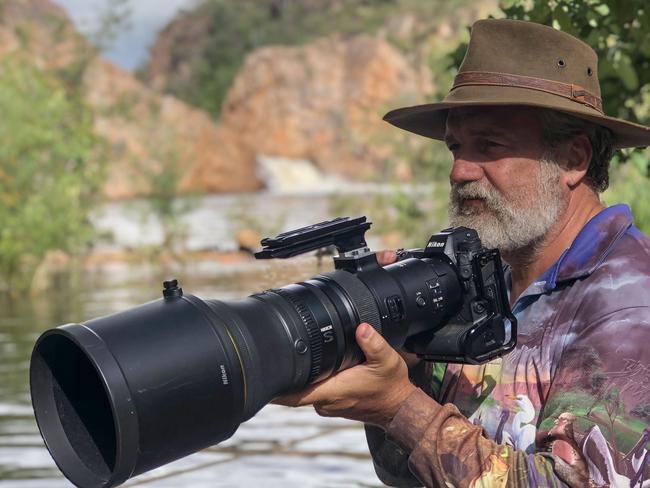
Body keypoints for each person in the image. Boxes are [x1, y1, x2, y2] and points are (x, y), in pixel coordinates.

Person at [277, 19, 650, 487]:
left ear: (573, 160)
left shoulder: (630, 304)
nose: (459, 171)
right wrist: (397, 356)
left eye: (489, 146)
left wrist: (400, 408)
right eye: (456, 147)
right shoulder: (480, 279)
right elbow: (409, 474)